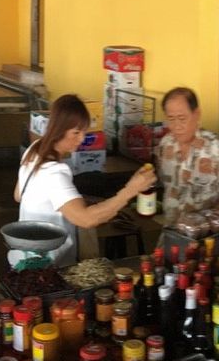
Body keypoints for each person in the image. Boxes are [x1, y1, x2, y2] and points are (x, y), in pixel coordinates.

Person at [14, 94, 155, 267]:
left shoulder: (34, 150)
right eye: (76, 132)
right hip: (48, 263)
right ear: (59, 129)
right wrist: (131, 190)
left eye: (84, 132)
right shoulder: (54, 172)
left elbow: (19, 195)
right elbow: (86, 219)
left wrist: (69, 201)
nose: (82, 139)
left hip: (25, 253)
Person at [155, 87, 219, 225]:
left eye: (182, 118)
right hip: (171, 228)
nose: (177, 126)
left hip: (204, 231)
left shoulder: (217, 149)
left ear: (196, 114)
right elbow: (164, 182)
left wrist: (210, 218)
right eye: (171, 119)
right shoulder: (165, 144)